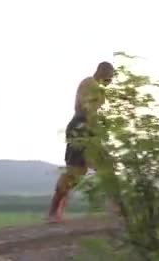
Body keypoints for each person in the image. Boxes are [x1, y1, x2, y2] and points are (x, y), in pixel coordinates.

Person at [47, 61, 114, 223]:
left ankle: (116, 207)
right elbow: (84, 107)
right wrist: (93, 120)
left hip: (89, 130)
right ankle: (54, 212)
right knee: (75, 171)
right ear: (102, 72)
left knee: (99, 166)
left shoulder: (99, 90)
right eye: (110, 76)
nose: (111, 81)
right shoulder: (89, 83)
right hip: (80, 127)